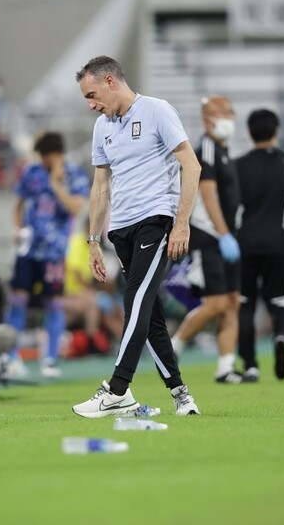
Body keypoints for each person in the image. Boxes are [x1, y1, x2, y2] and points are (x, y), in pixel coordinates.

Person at [72, 55, 201, 418]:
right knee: (150, 315)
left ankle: (116, 390)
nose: (91, 104)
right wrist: (94, 241)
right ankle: (181, 395)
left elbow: (191, 165)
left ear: (111, 81)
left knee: (136, 304)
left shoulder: (158, 111)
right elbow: (100, 186)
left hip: (156, 221)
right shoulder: (103, 127)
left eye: (92, 94)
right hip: (121, 231)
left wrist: (181, 223)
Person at [235, 109, 284, 382]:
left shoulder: (238, 166)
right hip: (279, 242)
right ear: (276, 131)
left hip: (244, 242)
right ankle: (280, 336)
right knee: (280, 299)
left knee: (244, 303)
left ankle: (250, 365)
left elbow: (228, 206)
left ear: (248, 132)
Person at [169, 95, 243, 383]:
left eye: (229, 110)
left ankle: (226, 366)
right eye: (221, 111)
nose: (228, 116)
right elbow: (208, 194)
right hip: (210, 236)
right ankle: (175, 345)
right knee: (215, 303)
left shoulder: (223, 150)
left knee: (233, 301)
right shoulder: (208, 149)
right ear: (206, 118)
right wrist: (224, 234)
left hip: (227, 235)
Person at [4, 132, 88, 378]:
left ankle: (49, 358)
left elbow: (75, 208)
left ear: (57, 154)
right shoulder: (31, 172)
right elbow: (18, 206)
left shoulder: (72, 174)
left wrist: (55, 184)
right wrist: (19, 229)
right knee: (17, 300)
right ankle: (11, 358)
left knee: (53, 304)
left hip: (53, 251)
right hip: (29, 249)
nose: (42, 160)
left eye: (46, 155)